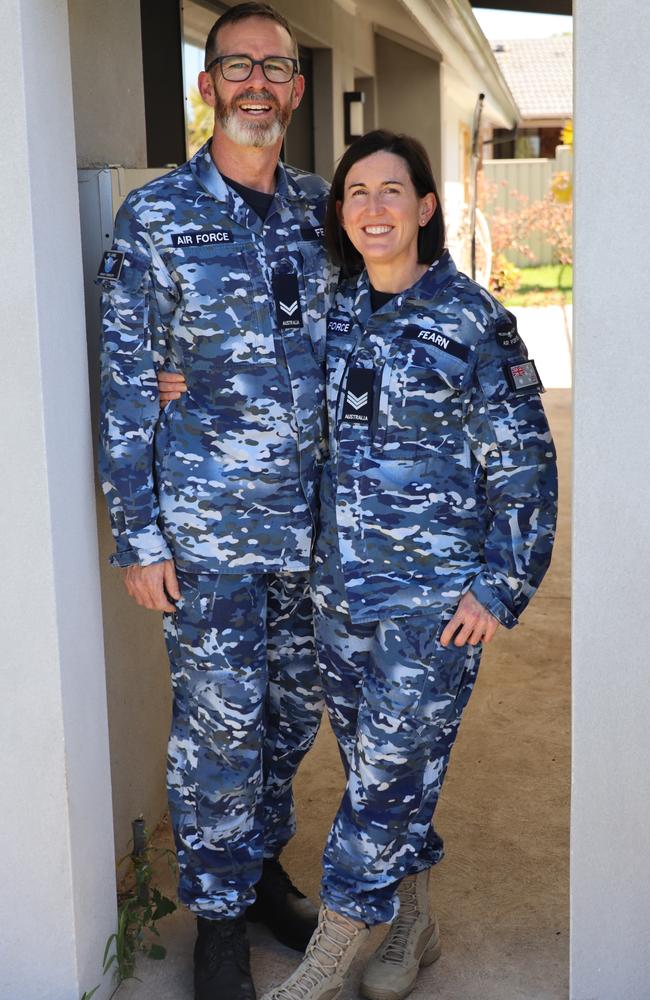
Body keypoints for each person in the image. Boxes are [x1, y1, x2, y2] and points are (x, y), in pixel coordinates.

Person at [252, 130, 558, 1000]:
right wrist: (174, 382)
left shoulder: (472, 319)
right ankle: (415, 922)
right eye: (356, 193)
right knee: (386, 769)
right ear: (340, 216)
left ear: (425, 208)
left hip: (434, 603)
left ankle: (330, 957)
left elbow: (526, 466)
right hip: (340, 596)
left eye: (393, 191)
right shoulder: (334, 313)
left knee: (384, 776)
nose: (374, 207)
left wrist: (500, 587)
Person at [97, 5, 337, 999]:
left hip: (314, 533)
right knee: (219, 729)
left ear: (293, 87)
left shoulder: (326, 211)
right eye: (233, 65)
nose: (253, 83)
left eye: (272, 68)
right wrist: (137, 536)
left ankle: (262, 868)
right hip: (208, 534)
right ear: (206, 87)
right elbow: (122, 385)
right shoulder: (155, 218)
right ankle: (219, 920)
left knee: (291, 717)